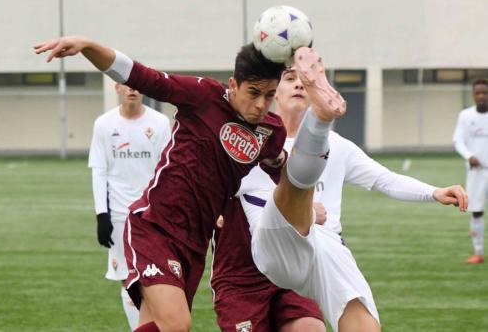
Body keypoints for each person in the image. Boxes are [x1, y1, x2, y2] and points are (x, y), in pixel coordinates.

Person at [35, 36, 287, 332]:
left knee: (154, 325)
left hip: (195, 243)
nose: (260, 104)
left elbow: (282, 175)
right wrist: (88, 46)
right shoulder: (204, 96)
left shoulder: (271, 131)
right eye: (253, 92)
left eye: (269, 95)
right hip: (155, 226)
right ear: (233, 84)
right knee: (177, 324)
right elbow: (142, 76)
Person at [226, 48, 467, 332]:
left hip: (324, 247)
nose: (300, 84)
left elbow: (384, 179)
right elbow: (213, 187)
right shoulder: (247, 141)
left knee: (362, 317)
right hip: (275, 246)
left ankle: (319, 124)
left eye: (305, 80)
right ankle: (320, 120)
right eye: (291, 78)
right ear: (273, 92)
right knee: (295, 192)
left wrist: (434, 192)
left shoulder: (338, 146)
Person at [88, 83, 171, 330]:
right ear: (117, 88)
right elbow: (99, 171)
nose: (132, 90)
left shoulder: (159, 122)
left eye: (137, 86)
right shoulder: (103, 124)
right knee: (127, 281)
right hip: (119, 217)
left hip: (152, 215)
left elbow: (166, 169)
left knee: (155, 280)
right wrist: (101, 214)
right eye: (126, 86)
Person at [453, 78, 488, 264]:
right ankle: (479, 252)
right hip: (476, 172)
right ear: (474, 95)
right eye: (478, 93)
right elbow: (458, 140)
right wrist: (469, 156)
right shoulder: (465, 116)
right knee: (476, 211)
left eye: (485, 92)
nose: (481, 96)